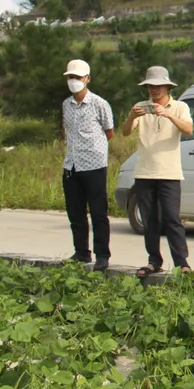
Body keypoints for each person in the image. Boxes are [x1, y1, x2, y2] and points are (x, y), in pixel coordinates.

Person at [122, 66, 194, 278]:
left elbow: (189, 130)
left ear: (167, 87)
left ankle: (182, 262)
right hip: (144, 172)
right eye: (150, 86)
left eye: (158, 86)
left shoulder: (179, 106)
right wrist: (131, 116)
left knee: (172, 218)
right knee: (149, 220)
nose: (154, 89)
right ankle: (154, 261)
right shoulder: (141, 106)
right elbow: (126, 132)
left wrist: (168, 114)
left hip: (169, 173)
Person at [61, 59, 115, 270]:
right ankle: (81, 252)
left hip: (94, 165)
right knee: (75, 212)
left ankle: (102, 255)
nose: (73, 81)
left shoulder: (99, 104)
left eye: (77, 77)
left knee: (98, 213)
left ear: (87, 79)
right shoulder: (66, 104)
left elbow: (109, 132)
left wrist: (93, 147)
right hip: (72, 165)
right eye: (70, 77)